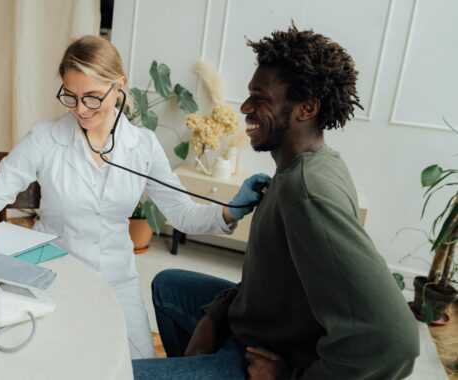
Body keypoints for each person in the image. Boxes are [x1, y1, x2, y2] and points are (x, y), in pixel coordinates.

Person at [0, 35, 270, 359]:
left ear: (119, 85)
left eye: (91, 97)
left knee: (137, 366)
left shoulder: (142, 146)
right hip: (51, 274)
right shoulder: (45, 137)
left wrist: (229, 212)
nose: (80, 109)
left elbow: (180, 212)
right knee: (51, 362)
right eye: (70, 96)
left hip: (117, 282)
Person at [132, 24, 420, 379]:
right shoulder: (310, 165)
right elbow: (272, 279)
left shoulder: (307, 192)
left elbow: (395, 341)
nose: (247, 107)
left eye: (261, 97)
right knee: (168, 285)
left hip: (265, 355)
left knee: (115, 374)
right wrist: (216, 315)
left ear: (306, 108)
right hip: (262, 327)